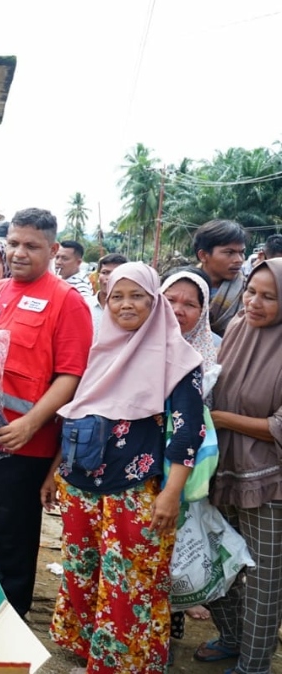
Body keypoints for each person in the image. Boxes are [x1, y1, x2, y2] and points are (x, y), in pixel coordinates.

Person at [46, 262, 205, 673]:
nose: (126, 305)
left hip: (135, 489)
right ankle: (88, 650)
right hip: (81, 484)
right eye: (117, 295)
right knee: (83, 571)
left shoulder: (179, 358)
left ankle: (122, 663)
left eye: (137, 296)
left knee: (129, 583)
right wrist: (56, 472)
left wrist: (172, 493)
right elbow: (75, 418)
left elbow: (189, 433)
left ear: (155, 302)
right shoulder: (98, 349)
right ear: (105, 301)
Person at [0, 207, 93, 618]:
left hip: (24, 443)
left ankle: (12, 624)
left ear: (53, 248)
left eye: (31, 246)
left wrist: (31, 422)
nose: (19, 253)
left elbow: (71, 375)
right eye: (13, 244)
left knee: (13, 541)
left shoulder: (67, 302)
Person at [193, 258, 282, 674]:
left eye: (269, 296)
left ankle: (254, 664)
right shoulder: (237, 329)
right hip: (221, 467)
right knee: (218, 558)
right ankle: (231, 637)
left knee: (264, 578)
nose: (254, 303)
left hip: (268, 480)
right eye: (251, 291)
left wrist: (221, 420)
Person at [159, 266, 218, 647]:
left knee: (177, 552)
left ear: (204, 311)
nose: (179, 310)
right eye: (170, 300)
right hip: (139, 471)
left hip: (185, 473)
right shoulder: (130, 343)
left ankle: (166, 640)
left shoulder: (209, 354)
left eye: (190, 304)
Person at [193, 219, 247, 337]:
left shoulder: (248, 291)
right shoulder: (182, 286)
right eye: (229, 252)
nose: (239, 259)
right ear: (203, 255)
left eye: (242, 252)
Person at [89, 253, 128, 333]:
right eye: (105, 272)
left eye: (116, 273)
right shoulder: (85, 305)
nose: (109, 278)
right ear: (98, 276)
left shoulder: (130, 309)